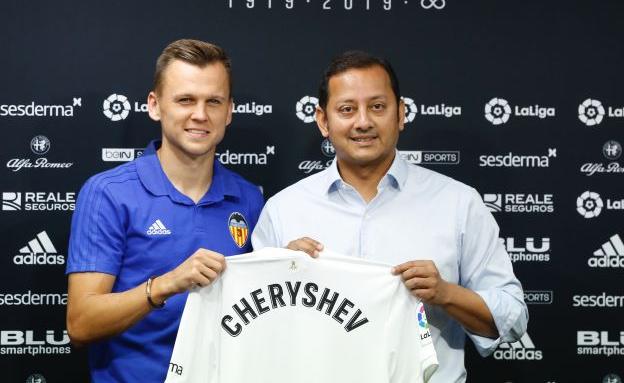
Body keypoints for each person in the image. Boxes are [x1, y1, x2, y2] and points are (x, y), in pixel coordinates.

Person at [251, 50, 528, 382]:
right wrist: (280, 279)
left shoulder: (459, 203)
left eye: (378, 107)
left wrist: (446, 294)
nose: (363, 122)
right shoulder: (284, 210)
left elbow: (514, 320)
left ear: (401, 114)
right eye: (347, 109)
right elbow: (257, 335)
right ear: (324, 121)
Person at [66, 39, 263, 383]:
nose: (200, 114)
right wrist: (167, 284)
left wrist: (294, 268)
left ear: (229, 111)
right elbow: (81, 323)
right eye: (185, 99)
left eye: (213, 101)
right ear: (155, 106)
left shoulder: (248, 197)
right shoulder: (108, 193)